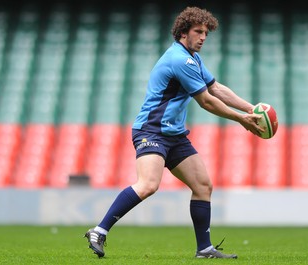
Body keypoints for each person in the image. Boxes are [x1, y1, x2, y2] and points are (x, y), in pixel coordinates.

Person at [84, 6, 264, 259]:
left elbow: (216, 88)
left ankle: (204, 249)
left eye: (206, 33)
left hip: (174, 136)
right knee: (148, 185)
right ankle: (99, 230)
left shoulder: (193, 58)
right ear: (183, 32)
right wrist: (242, 119)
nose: (203, 37)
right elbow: (207, 101)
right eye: (198, 31)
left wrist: (251, 108)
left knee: (203, 185)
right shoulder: (180, 60)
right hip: (152, 131)